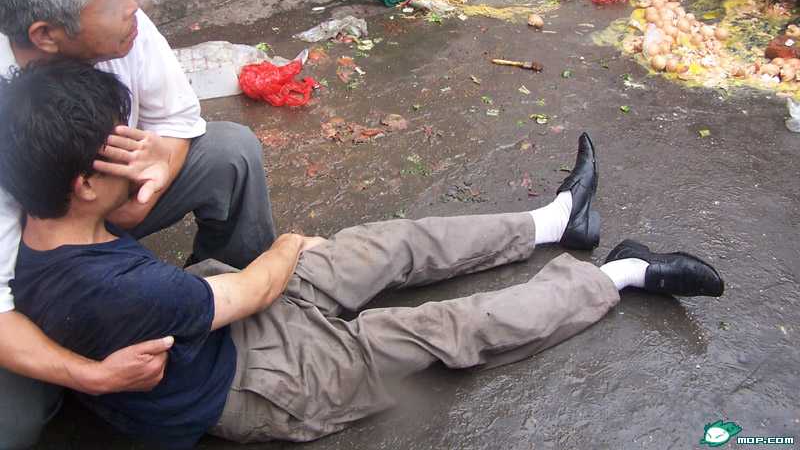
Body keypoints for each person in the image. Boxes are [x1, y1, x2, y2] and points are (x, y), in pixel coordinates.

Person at [0, 60, 725, 448]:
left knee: (390, 244)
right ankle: (620, 275)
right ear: (84, 183)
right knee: (443, 330)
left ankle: (556, 221)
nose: (143, 150)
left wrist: (135, 192)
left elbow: (234, 291)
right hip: (262, 383)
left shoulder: (45, 230)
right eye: (125, 147)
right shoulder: (118, 291)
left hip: (221, 318)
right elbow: (252, 291)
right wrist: (288, 244)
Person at [0, 0, 276, 448]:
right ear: (46, 34)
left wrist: (155, 177)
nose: (133, 5)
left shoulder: (121, 29)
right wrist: (92, 375)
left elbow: (177, 119)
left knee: (230, 152)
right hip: (29, 270)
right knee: (15, 425)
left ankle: (225, 300)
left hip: (105, 205)